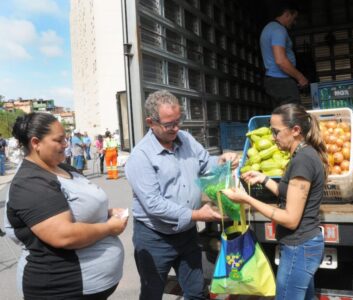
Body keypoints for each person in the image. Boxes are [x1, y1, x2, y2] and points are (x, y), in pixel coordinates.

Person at [125, 90, 239, 300]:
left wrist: (222, 160)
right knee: (152, 293)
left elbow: (206, 164)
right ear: (151, 122)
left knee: (196, 292)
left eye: (179, 121)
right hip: (154, 238)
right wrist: (197, 215)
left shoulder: (185, 138)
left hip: (186, 235)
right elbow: (154, 205)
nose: (176, 128)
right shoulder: (140, 157)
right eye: (169, 125)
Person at [5, 112, 128, 299]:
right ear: (36, 143)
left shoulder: (63, 167)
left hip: (92, 286)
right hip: (61, 288)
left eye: (66, 139)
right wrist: (109, 227)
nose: (66, 145)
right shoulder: (30, 183)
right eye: (59, 140)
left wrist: (107, 213)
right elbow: (64, 236)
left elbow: (80, 209)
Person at [222, 103, 328, 300]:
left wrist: (247, 199)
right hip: (304, 245)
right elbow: (289, 193)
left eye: (276, 131)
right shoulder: (303, 154)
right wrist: (264, 179)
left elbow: (290, 219)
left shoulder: (303, 161)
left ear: (295, 130)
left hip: (299, 247)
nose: (272, 137)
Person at [260, 1, 309, 106]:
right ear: (287, 13)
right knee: (292, 115)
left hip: (274, 81)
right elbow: (281, 61)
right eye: (294, 18)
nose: (294, 22)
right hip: (281, 81)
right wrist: (300, 77)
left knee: (282, 116)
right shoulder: (278, 30)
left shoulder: (268, 28)